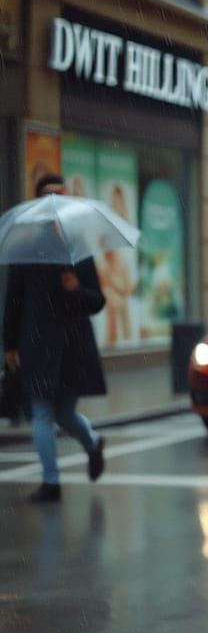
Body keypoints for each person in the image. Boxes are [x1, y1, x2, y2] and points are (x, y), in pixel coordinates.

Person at [3, 173, 107, 503]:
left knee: (63, 414)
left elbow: (97, 301)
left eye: (60, 196)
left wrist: (76, 289)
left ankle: (92, 445)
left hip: (73, 348)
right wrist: (9, 345)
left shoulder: (78, 251)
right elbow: (13, 301)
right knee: (43, 413)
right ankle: (51, 482)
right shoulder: (25, 249)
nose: (55, 204)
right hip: (37, 344)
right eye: (48, 196)